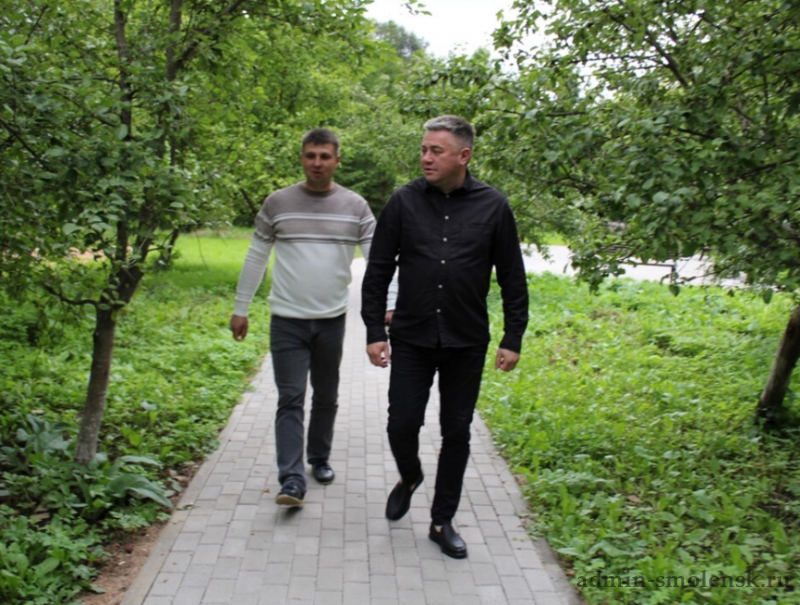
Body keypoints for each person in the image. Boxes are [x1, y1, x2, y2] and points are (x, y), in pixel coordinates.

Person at [360, 115, 529, 558]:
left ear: (463, 155)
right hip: (412, 337)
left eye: (436, 150)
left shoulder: (494, 206)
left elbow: (513, 278)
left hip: (466, 340)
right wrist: (374, 330)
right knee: (401, 423)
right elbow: (378, 271)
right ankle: (410, 475)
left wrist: (513, 337)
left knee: (457, 431)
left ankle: (441, 520)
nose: (426, 157)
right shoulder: (404, 202)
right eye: (424, 149)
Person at [230, 128, 375, 508]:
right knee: (291, 397)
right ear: (302, 158)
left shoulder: (356, 206)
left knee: (326, 395)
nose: (317, 163)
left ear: (337, 161)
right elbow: (256, 256)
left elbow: (377, 260)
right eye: (311, 155)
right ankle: (292, 480)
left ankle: (319, 458)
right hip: (287, 320)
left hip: (331, 319)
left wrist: (389, 306)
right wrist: (241, 307)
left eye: (325, 156)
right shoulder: (278, 203)